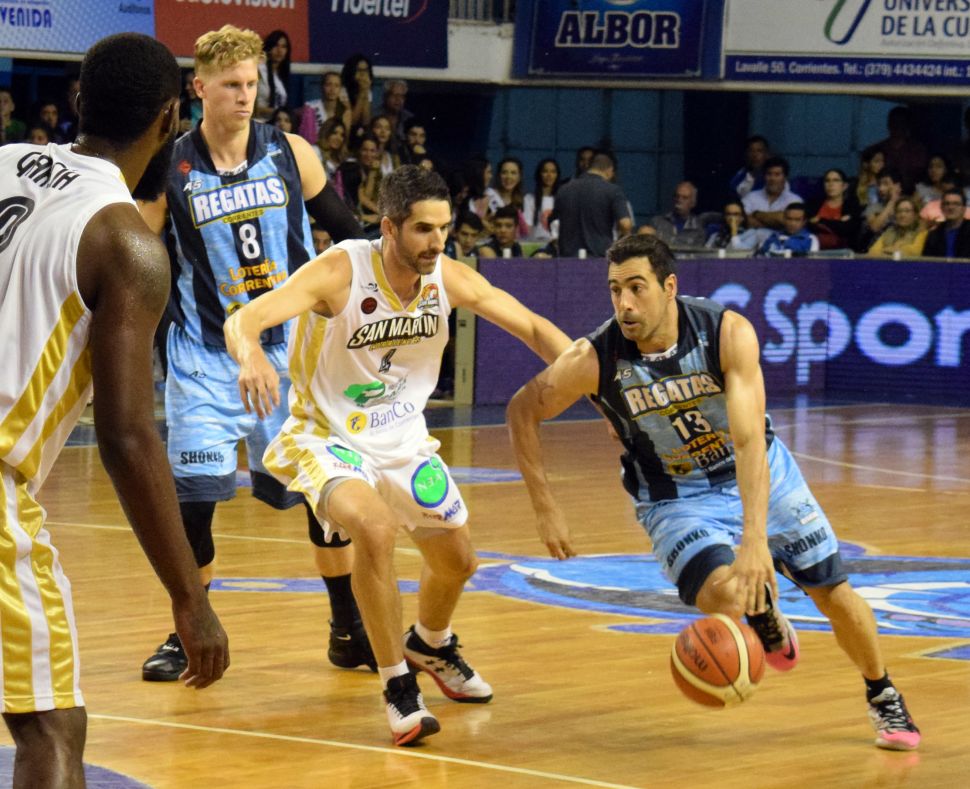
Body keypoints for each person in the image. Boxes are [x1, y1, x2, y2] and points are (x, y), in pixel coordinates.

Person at [506, 233, 921, 752]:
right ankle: (762, 612)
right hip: (675, 495)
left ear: (669, 287)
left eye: (636, 288)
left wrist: (754, 540)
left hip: (760, 471)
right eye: (615, 290)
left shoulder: (725, 333)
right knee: (725, 595)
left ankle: (882, 692)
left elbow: (748, 442)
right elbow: (522, 410)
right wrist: (545, 507)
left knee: (833, 594)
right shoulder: (595, 358)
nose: (624, 303)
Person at [225, 165, 572, 746]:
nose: (437, 242)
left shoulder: (446, 276)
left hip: (403, 439)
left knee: (458, 561)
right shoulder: (340, 271)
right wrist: (252, 355)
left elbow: (534, 328)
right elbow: (246, 318)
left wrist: (594, 381)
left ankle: (430, 644)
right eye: (423, 230)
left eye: (444, 228)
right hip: (327, 437)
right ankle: (397, 685)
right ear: (388, 227)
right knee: (376, 529)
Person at [0, 32, 229, 786]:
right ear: (170, 119)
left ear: (77, 101)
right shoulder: (126, 242)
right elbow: (127, 437)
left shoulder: (3, 162)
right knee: (51, 728)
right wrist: (190, 598)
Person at [138, 24, 368, 684]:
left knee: (326, 496)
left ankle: (347, 627)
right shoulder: (168, 168)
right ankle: (188, 632)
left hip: (290, 354)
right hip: (204, 358)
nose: (244, 96)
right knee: (194, 506)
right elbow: (143, 260)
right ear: (199, 88)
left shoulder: (291, 152)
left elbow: (349, 236)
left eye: (251, 84)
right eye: (231, 85)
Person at [554, 151, 633, 257]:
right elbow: (625, 224)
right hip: (599, 256)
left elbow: (554, 222)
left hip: (568, 257)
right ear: (609, 170)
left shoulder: (564, 189)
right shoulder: (613, 190)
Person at [742, 156, 802, 230]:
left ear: (785, 177)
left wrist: (756, 214)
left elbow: (783, 220)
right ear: (764, 176)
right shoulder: (751, 197)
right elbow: (742, 219)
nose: (772, 178)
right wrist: (774, 223)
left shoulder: (794, 200)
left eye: (777, 174)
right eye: (769, 174)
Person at [806, 169, 860, 250]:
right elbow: (809, 226)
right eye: (827, 181)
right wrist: (838, 223)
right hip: (815, 249)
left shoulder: (851, 206)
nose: (831, 184)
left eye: (836, 180)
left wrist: (820, 220)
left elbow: (847, 229)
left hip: (843, 252)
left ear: (844, 186)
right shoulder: (813, 204)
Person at [299, 70, 351, 145]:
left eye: (336, 85)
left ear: (340, 89)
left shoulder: (345, 112)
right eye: (328, 84)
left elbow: (345, 140)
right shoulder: (310, 107)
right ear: (322, 86)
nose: (332, 89)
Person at [649, 181, 705, 248]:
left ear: (693, 203)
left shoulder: (698, 230)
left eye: (685, 198)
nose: (679, 200)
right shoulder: (657, 222)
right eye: (677, 196)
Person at [922, 188, 970, 258]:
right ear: (941, 208)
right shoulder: (934, 235)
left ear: (964, 208)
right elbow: (926, 261)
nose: (951, 207)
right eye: (947, 204)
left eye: (956, 204)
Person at [523, 158, 560, 243]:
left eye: (553, 172)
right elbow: (528, 226)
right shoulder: (529, 199)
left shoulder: (562, 198)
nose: (549, 175)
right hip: (536, 244)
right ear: (539, 174)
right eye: (545, 171)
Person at [256, 29, 290, 122]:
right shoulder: (258, 70)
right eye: (276, 45)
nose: (279, 50)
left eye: (283, 46)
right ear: (268, 47)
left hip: (274, 126)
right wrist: (274, 112)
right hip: (256, 123)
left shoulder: (281, 76)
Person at [729, 135, 770, 200]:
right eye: (751, 151)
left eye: (759, 151)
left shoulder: (773, 176)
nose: (755, 155)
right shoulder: (739, 177)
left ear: (767, 154)